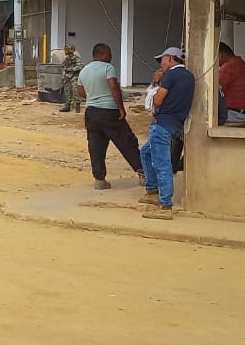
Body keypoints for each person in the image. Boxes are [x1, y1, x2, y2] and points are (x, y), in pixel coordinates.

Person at [75, 43, 144, 190]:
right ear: (101, 54)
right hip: (109, 111)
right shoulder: (108, 68)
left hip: (91, 113)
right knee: (126, 141)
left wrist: (94, 96)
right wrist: (121, 108)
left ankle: (99, 179)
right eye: (109, 54)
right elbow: (113, 86)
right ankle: (143, 172)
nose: (111, 57)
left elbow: (80, 91)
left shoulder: (84, 70)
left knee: (96, 146)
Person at [140, 47, 195, 220]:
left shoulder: (170, 75)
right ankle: (152, 190)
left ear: (171, 59)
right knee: (146, 152)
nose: (160, 64)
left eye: (162, 60)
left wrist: (156, 83)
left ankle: (165, 205)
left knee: (162, 164)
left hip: (162, 123)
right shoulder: (189, 76)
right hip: (176, 124)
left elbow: (157, 100)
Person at [217, 41, 245, 125]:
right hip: (243, 113)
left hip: (235, 113)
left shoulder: (230, 66)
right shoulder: (239, 63)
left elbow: (213, 90)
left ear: (220, 54)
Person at [60, 44, 83, 112]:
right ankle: (67, 105)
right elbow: (62, 65)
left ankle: (77, 106)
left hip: (74, 77)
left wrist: (70, 69)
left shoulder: (76, 58)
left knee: (75, 91)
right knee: (67, 91)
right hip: (67, 77)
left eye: (65, 50)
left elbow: (80, 66)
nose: (64, 51)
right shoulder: (66, 59)